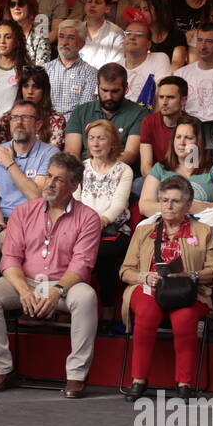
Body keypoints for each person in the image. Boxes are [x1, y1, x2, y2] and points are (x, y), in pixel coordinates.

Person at [0, 153, 101, 397]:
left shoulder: (88, 218)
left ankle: (76, 374)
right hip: (26, 281)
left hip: (64, 285)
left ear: (74, 186)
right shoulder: (24, 212)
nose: (50, 184)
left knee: (86, 297)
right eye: (49, 176)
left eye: (59, 179)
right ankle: (2, 368)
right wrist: (23, 290)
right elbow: (10, 257)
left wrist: (56, 292)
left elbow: (82, 264)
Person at [119, 175, 213, 401]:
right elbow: (125, 271)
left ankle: (184, 383)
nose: (168, 206)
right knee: (147, 313)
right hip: (148, 288)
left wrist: (190, 275)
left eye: (175, 201)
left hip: (187, 292)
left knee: (185, 318)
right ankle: (138, 380)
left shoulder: (203, 231)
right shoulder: (144, 230)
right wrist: (145, 277)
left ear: (187, 205)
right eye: (164, 200)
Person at [0, 99, 56, 275]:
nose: (18, 122)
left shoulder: (49, 154)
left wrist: (10, 164)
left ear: (38, 125)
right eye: (14, 118)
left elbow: (37, 197)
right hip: (2, 220)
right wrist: (0, 229)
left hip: (35, 220)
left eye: (25, 117)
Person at [73, 119, 133, 330]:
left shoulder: (123, 170)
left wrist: (99, 222)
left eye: (101, 138)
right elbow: (76, 201)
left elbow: (118, 204)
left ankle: (107, 309)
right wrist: (85, 227)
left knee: (102, 253)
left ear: (113, 143)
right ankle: (69, 307)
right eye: (91, 138)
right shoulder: (81, 168)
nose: (96, 143)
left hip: (113, 229)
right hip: (82, 229)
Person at [140, 115, 213, 219]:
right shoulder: (160, 168)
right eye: (178, 137)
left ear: (200, 141)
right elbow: (144, 206)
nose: (182, 143)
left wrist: (198, 207)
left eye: (189, 138)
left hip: (203, 228)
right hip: (166, 228)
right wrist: (181, 207)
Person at [63, 63, 145, 171]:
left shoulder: (138, 113)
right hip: (82, 171)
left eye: (115, 91)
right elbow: (72, 152)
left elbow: (130, 154)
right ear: (97, 85)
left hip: (120, 172)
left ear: (126, 88)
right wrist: (86, 173)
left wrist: (100, 169)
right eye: (104, 90)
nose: (109, 96)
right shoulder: (80, 112)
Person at [0, 65, 65, 148]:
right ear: (20, 89)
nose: (30, 91)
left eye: (36, 87)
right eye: (26, 86)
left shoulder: (56, 119)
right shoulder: (6, 119)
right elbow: (2, 151)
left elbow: (53, 155)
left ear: (44, 90)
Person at [44, 20, 99, 116]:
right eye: (61, 37)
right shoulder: (45, 69)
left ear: (81, 44)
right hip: (46, 125)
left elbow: (84, 110)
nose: (64, 42)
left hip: (74, 127)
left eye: (71, 38)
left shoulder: (91, 73)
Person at [138, 75, 187, 176]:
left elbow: (193, 166)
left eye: (170, 97)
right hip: (156, 178)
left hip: (183, 180)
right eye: (161, 97)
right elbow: (145, 168)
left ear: (183, 100)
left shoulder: (193, 125)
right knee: (137, 184)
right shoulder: (148, 122)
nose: (164, 102)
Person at [121, 20, 172, 104]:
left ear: (149, 44)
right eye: (128, 33)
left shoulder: (159, 58)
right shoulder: (115, 66)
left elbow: (162, 96)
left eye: (139, 34)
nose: (132, 37)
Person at [78, 0, 126, 68]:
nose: (92, 5)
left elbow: (114, 68)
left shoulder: (116, 34)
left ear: (107, 9)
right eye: (89, 1)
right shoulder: (75, 30)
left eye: (98, 2)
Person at [140, 0, 189, 70]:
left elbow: (177, 64)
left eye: (146, 10)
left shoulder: (177, 35)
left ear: (159, 11)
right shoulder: (142, 36)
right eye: (140, 9)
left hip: (169, 78)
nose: (141, 14)